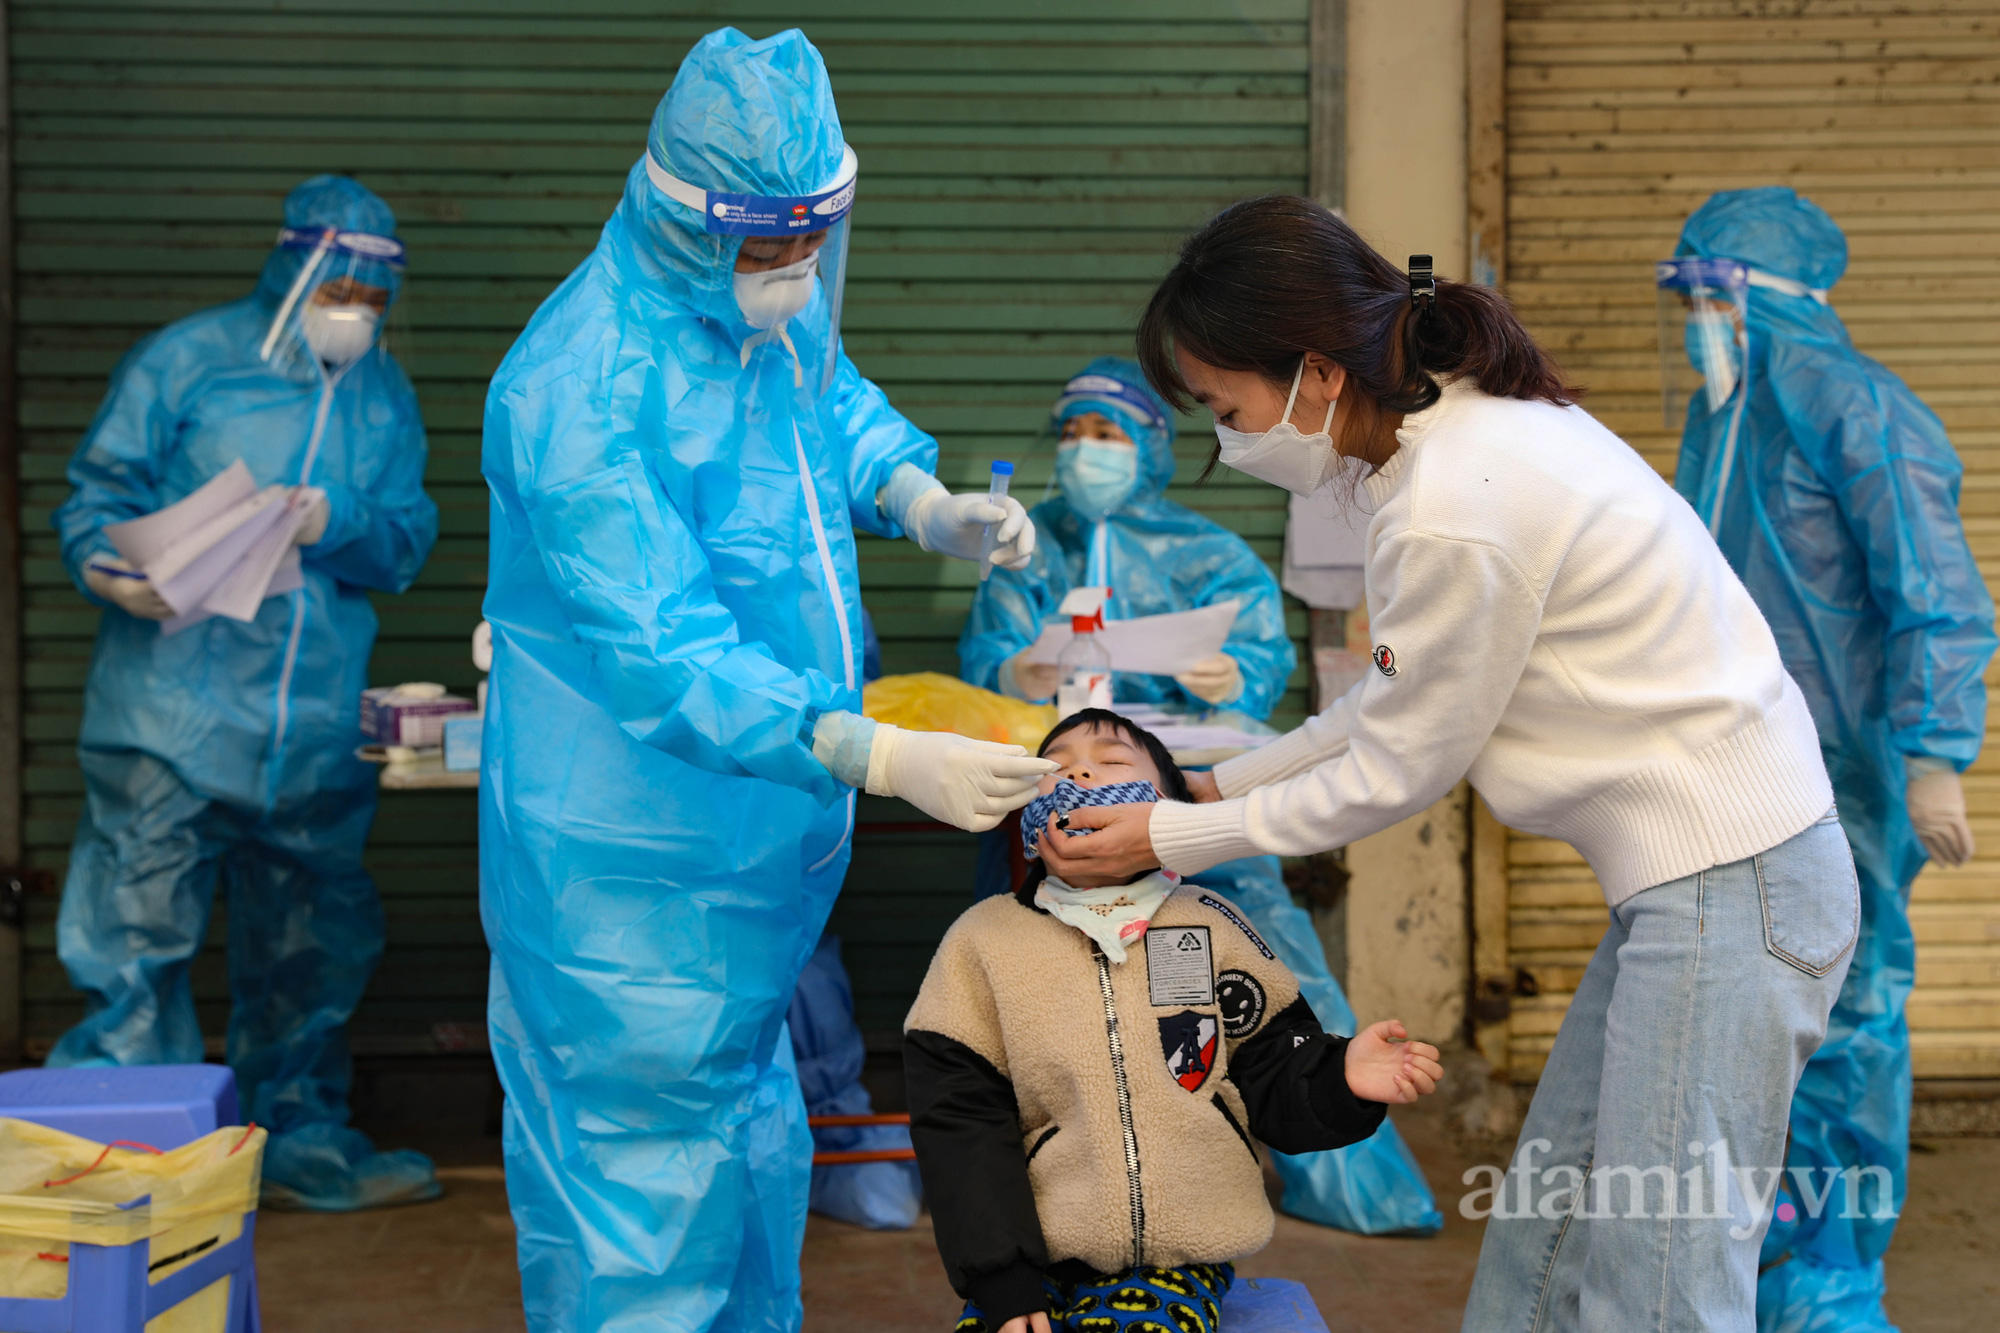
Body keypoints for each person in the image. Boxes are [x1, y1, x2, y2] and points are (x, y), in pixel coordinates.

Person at [1028, 194, 1861, 1332]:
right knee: (1552, 1232)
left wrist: (1166, 835)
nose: (1226, 443)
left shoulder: (1454, 499)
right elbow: (1392, 699)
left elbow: (1395, 769)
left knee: (1656, 1280)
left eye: (1227, 409)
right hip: (1698, 886)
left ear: (1316, 375)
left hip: (1735, 884)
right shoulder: (1441, 444)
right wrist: (1212, 784)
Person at [478, 28, 1057, 1331]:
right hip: (628, 865)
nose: (793, 278)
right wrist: (870, 749)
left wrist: (921, 494)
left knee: (743, 1154)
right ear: (686, 223)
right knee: (639, 1198)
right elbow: (660, 647)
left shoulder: (756, 324)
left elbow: (825, 403)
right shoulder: (577, 385)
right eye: (767, 250)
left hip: (749, 844)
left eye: (810, 245)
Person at [959, 359, 1440, 1235]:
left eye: (1106, 434)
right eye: (1071, 433)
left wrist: (1234, 675)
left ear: (1148, 447)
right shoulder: (1029, 549)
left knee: (1255, 954)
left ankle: (1345, 1170)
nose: (1083, 451)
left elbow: (1258, 657)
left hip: (1194, 786)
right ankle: (1051, 1170)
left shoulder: (1206, 552)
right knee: (1037, 965)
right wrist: (1018, 667)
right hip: (1058, 785)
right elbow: (985, 660)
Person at [47, 175, 441, 1211]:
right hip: (169, 715)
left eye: (373, 292)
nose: (353, 308)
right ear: (293, 266)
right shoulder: (188, 361)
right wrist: (105, 567)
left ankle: (299, 1139)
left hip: (310, 729)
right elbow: (99, 495)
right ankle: (124, 1164)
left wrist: (336, 516)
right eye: (338, 283)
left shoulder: (381, 395)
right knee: (136, 941)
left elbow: (405, 541)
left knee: (309, 946)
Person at [1668, 187, 1995, 1331]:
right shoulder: (1719, 415)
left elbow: (1934, 593)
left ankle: (1828, 1278)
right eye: (1687, 294)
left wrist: (1932, 754)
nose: (1694, 316)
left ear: (1763, 292)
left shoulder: (1854, 403)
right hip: (1728, 768)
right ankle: (1749, 1259)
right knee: (1743, 1015)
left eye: (1712, 293)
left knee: (1844, 1017)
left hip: (1844, 772)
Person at [905, 708, 1443, 1333]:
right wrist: (1001, 1276)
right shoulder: (982, 942)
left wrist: (1341, 1075)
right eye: (1057, 766)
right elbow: (958, 1121)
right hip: (1033, 1255)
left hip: (1179, 1259)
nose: (1081, 770)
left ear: (1170, 814)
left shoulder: (1214, 924)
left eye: (1112, 762)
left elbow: (1272, 1074)